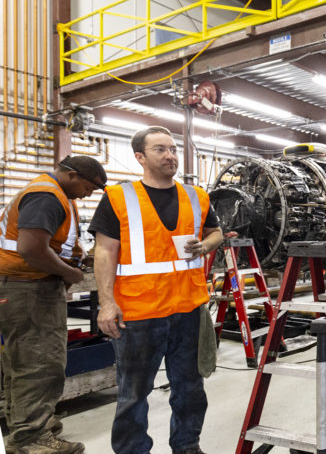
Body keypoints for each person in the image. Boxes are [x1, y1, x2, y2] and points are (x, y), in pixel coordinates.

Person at [90, 126, 222, 454]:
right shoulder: (118, 198)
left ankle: (187, 445)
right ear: (140, 157)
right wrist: (106, 304)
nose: (170, 155)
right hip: (138, 313)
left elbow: (217, 231)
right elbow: (104, 252)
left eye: (173, 149)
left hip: (189, 310)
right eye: (160, 149)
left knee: (190, 388)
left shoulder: (196, 196)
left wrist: (205, 246)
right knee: (133, 394)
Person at [0, 155, 107, 454]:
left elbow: (48, 243)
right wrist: (68, 271)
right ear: (73, 175)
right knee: (39, 364)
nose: (90, 193)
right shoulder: (47, 196)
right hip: (28, 289)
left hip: (24, 286)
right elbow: (31, 248)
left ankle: (31, 423)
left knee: (23, 363)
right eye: (91, 186)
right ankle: (30, 439)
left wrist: (75, 257)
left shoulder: (56, 192)